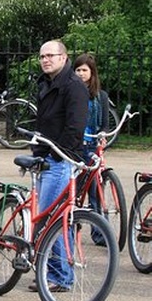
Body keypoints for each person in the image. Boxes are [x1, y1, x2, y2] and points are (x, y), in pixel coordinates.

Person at [25, 40, 87, 293]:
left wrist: (59, 153)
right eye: (42, 56)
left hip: (59, 159)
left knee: (51, 219)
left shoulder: (73, 87)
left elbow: (75, 127)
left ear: (64, 58)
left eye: (51, 55)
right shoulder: (46, 83)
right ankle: (57, 272)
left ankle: (60, 275)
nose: (45, 60)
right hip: (45, 155)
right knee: (53, 218)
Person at [73, 53, 110, 245]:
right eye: (77, 70)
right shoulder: (72, 93)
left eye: (84, 70)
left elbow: (105, 124)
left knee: (96, 190)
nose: (80, 73)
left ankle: (101, 232)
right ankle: (71, 225)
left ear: (92, 72)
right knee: (75, 190)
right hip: (77, 147)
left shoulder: (100, 96)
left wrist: (103, 134)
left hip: (92, 146)